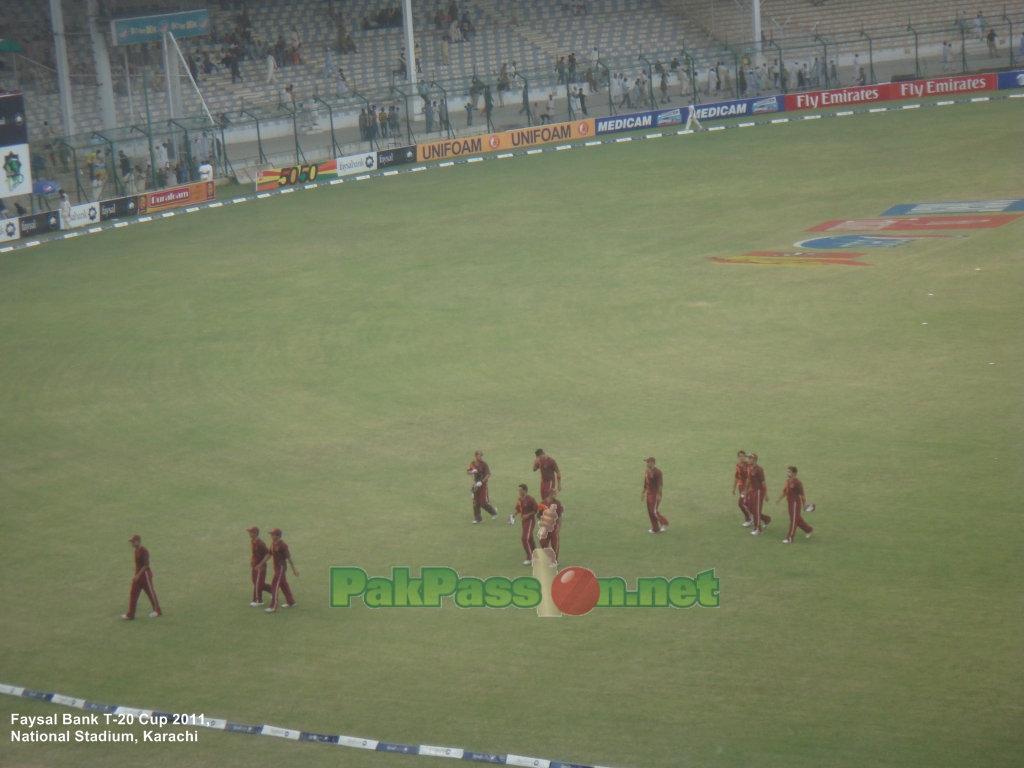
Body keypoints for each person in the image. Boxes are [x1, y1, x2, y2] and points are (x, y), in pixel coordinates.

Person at [257, 528, 298, 612]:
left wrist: (294, 569)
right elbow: (269, 554)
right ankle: (291, 601)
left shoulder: (283, 545)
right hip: (276, 567)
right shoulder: (273, 544)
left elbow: (289, 558)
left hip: (281, 567)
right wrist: (261, 564)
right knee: (283, 584)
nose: (271, 536)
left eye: (273, 535)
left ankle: (273, 606)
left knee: (275, 584)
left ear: (278, 536)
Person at [121, 535, 161, 619]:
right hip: (139, 576)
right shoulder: (136, 551)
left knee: (150, 592)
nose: (132, 544)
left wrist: (138, 576)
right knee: (133, 593)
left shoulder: (144, 551)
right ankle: (131, 613)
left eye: (133, 542)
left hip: (145, 575)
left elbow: (146, 565)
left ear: (138, 542)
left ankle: (157, 611)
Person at [776, 467, 813, 543]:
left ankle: (790, 538)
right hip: (790, 503)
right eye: (787, 472)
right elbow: (785, 492)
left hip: (795, 503)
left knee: (793, 521)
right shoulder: (788, 482)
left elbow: (802, 495)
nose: (787, 473)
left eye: (789, 472)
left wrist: (804, 505)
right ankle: (809, 529)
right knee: (797, 519)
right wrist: (779, 499)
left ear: (794, 473)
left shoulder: (797, 483)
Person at [509, 484, 538, 565]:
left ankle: (530, 557)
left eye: (521, 490)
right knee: (530, 538)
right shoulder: (519, 500)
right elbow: (518, 509)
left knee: (525, 538)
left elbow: (536, 510)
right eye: (519, 490)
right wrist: (512, 516)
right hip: (524, 521)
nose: (519, 492)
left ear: (525, 490)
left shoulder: (531, 499)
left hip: (530, 521)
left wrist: (528, 515)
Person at [744, 453, 772, 535]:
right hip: (753, 490)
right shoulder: (749, 468)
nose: (748, 460)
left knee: (756, 510)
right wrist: (745, 490)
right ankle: (766, 519)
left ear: (754, 460)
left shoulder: (759, 469)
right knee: (750, 508)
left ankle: (758, 529)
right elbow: (749, 479)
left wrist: (766, 494)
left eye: (750, 458)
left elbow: (763, 482)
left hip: (759, 491)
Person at [467, 451, 499, 522]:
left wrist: (482, 481)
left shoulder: (484, 464)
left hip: (483, 485)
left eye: (481, 455)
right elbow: (467, 471)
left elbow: (488, 474)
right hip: (475, 485)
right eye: (479, 456)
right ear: (476, 456)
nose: (480, 457)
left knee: (483, 503)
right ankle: (478, 519)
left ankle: (494, 512)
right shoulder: (473, 464)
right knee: (475, 502)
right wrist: (472, 472)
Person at [642, 457, 669, 533]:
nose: (646, 464)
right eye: (646, 462)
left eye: (648, 462)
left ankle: (664, 523)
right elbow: (645, 483)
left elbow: (660, 485)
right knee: (650, 512)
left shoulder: (657, 472)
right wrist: (643, 493)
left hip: (655, 494)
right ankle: (655, 528)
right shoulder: (647, 472)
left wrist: (659, 495)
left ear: (653, 463)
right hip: (649, 494)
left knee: (653, 511)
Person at [248, 527, 272, 606]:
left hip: (260, 565)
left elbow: (268, 553)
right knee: (256, 582)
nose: (249, 534)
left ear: (255, 534)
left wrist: (262, 564)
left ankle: (258, 600)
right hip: (255, 564)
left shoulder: (260, 544)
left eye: (251, 532)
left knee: (258, 583)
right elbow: (254, 553)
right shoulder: (252, 541)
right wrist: (252, 560)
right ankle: (272, 590)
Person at [540, 488, 564, 561]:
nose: (555, 495)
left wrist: (559, 527)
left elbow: (559, 516)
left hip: (554, 526)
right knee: (542, 542)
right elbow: (539, 514)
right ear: (550, 495)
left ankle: (554, 560)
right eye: (554, 494)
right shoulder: (543, 503)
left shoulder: (557, 503)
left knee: (555, 544)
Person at [732, 450, 753, 526]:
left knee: (741, 503)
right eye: (740, 456)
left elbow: (749, 477)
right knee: (746, 503)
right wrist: (734, 487)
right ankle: (765, 518)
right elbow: (736, 477)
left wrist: (746, 488)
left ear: (745, 457)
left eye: (743, 456)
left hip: (746, 487)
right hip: (741, 487)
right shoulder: (738, 466)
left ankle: (749, 519)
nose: (742, 458)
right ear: (738, 457)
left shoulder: (748, 465)